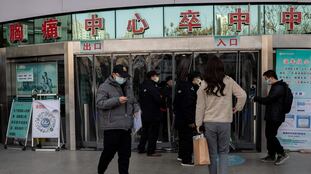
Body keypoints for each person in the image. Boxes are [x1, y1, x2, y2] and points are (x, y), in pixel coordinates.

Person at [196, 55, 247, 174]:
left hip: (209, 123)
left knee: (212, 153)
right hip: (225, 122)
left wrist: (198, 124)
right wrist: (237, 108)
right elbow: (243, 95)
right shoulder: (229, 81)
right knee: (224, 153)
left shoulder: (203, 84)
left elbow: (200, 107)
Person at [96, 65, 140, 174]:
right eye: (122, 76)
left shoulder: (128, 86)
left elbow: (133, 101)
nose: (124, 79)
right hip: (112, 128)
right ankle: (100, 171)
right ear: (114, 74)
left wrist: (136, 109)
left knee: (125, 156)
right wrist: (117, 100)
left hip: (126, 128)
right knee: (108, 154)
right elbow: (99, 103)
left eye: (125, 76)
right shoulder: (104, 87)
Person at [254, 70, 289, 165]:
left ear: (271, 77)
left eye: (266, 78)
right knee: (269, 135)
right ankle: (272, 155)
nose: (266, 80)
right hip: (272, 115)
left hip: (276, 116)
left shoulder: (279, 87)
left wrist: (256, 98)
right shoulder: (276, 86)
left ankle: (282, 153)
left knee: (271, 136)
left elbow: (269, 100)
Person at [174, 71, 201, 166]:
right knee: (187, 139)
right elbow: (188, 106)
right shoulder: (189, 89)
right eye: (198, 77)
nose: (199, 80)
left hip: (181, 118)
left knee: (182, 138)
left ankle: (181, 155)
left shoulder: (184, 86)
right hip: (186, 120)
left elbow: (176, 104)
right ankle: (186, 160)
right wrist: (191, 121)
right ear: (194, 78)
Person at [137, 70, 162, 157]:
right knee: (153, 132)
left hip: (145, 113)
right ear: (152, 77)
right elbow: (158, 99)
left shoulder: (143, 85)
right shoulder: (152, 86)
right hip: (154, 113)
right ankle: (151, 151)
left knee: (145, 131)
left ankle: (141, 148)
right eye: (156, 76)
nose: (157, 77)